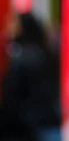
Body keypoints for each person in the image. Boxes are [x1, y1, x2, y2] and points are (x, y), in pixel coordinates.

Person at [0, 12, 61, 141]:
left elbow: (11, 97)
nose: (9, 28)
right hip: (45, 122)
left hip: (27, 127)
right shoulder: (43, 52)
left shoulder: (23, 57)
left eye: (13, 24)